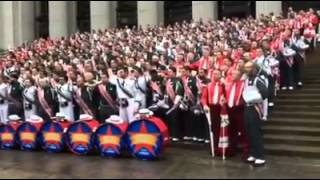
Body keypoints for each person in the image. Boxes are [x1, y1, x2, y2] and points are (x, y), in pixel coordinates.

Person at [243, 62, 268, 166]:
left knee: (255, 132)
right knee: (249, 131)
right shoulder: (246, 80)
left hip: (255, 108)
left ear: (253, 68)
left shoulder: (258, 79)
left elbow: (265, 92)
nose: (247, 69)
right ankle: (253, 153)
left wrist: (254, 99)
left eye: (249, 67)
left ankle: (260, 156)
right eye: (246, 67)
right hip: (247, 107)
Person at [225, 69, 249, 159]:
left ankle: (246, 151)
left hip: (240, 109)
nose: (232, 76)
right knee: (232, 131)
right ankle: (232, 149)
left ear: (239, 76)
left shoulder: (243, 85)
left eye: (234, 74)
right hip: (230, 109)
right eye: (231, 74)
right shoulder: (229, 85)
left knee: (243, 131)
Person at [202, 69, 226, 154]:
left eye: (217, 74)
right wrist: (205, 105)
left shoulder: (224, 85)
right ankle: (214, 147)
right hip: (212, 108)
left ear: (220, 75)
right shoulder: (208, 86)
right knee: (214, 128)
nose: (215, 75)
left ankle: (222, 147)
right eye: (214, 74)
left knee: (222, 128)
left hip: (221, 108)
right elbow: (204, 97)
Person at [165, 66, 184, 142]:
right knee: (170, 119)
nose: (168, 73)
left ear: (174, 72)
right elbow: (166, 91)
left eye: (170, 72)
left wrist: (176, 102)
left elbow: (179, 91)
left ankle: (176, 135)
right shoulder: (168, 80)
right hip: (168, 102)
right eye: (168, 72)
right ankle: (171, 134)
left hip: (175, 102)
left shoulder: (178, 80)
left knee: (175, 119)